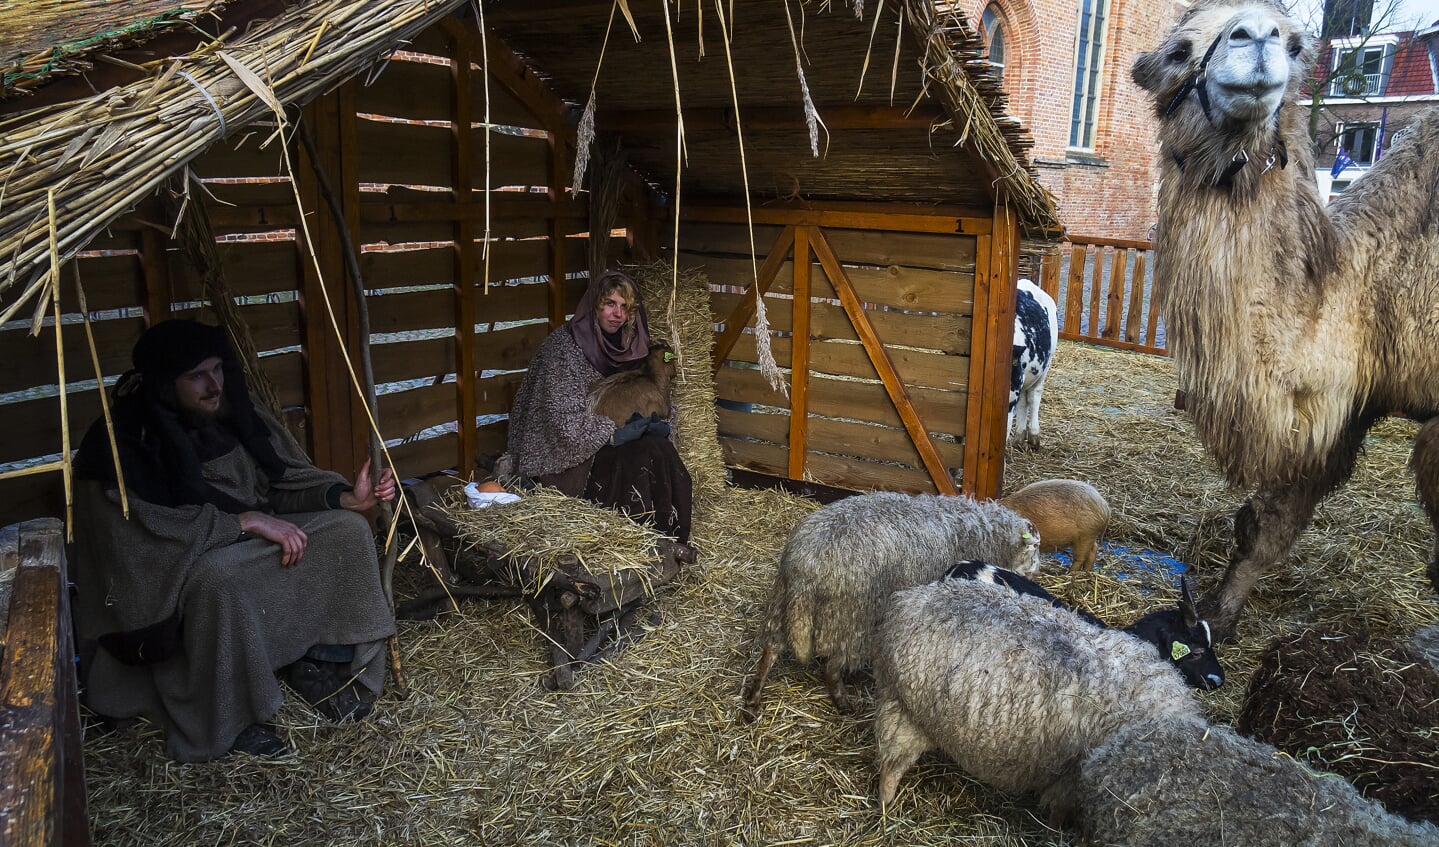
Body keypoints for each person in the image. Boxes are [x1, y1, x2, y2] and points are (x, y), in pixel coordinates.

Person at [72, 319, 397, 761]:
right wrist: (243, 523)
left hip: (251, 546)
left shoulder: (234, 412)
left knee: (346, 531)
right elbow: (135, 545)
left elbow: (282, 485)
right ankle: (231, 715)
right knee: (221, 578)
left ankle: (324, 660)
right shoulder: (120, 444)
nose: (213, 386)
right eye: (196, 377)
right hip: (185, 570)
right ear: (165, 385)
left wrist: (346, 497)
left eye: (217, 370)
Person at [507, 269, 694, 546]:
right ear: (595, 305)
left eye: (624, 307)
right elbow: (560, 421)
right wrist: (615, 432)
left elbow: (656, 399)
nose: (617, 314)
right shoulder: (564, 348)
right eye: (610, 304)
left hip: (613, 440)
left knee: (660, 450)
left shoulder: (633, 348)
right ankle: (637, 543)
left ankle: (672, 539)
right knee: (641, 457)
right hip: (565, 455)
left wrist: (652, 425)